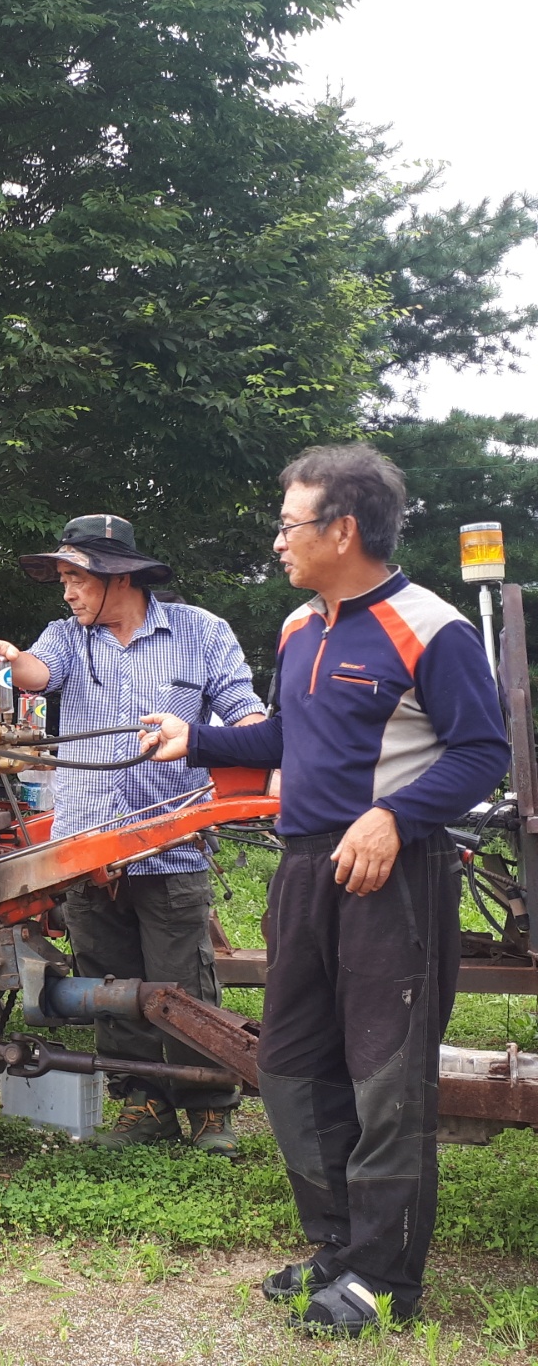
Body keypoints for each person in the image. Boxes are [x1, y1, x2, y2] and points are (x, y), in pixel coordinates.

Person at [140, 445, 509, 1334]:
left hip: (394, 878)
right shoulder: (302, 629)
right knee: (292, 1066)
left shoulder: (433, 628)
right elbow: (286, 740)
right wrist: (193, 739)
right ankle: (340, 1248)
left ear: (343, 530)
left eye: (289, 524)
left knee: (386, 1077)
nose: (277, 542)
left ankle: (387, 1282)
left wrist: (395, 819)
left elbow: (484, 750)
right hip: (304, 871)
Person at [0, 514, 266, 1157]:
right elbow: (36, 671)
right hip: (87, 845)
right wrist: (3, 656)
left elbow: (248, 715)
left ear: (118, 576)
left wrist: (259, 753)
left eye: (77, 577)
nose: (67, 591)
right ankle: (140, 1102)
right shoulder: (68, 638)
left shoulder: (202, 633)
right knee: (108, 981)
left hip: (172, 841)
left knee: (183, 981)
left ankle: (211, 1105)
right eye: (64, 579)